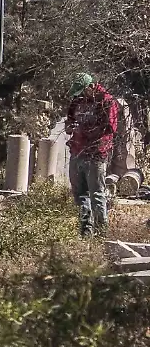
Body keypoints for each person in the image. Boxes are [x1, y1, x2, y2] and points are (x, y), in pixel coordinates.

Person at [67, 72, 121, 237]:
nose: (82, 95)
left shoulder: (107, 101)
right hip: (77, 152)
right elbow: (69, 120)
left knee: (97, 194)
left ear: (91, 86)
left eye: (83, 91)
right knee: (80, 194)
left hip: (96, 154)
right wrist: (71, 127)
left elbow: (110, 128)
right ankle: (86, 232)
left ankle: (101, 233)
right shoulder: (77, 100)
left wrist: (84, 130)